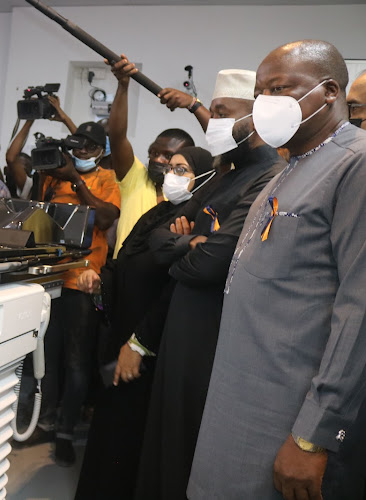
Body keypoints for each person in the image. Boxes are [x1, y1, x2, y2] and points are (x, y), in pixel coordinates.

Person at [189, 40, 366, 500]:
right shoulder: (290, 166)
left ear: (329, 92)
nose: (266, 103)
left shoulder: (356, 165)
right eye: (260, 91)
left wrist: (313, 434)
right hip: (239, 392)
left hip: (285, 413)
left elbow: (359, 310)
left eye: (279, 88)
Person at [129, 67, 284, 500]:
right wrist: (186, 244)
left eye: (221, 113)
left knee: (190, 448)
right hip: (181, 320)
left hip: (210, 331)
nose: (211, 124)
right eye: (210, 113)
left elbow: (212, 264)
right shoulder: (223, 173)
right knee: (165, 439)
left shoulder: (266, 176)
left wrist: (185, 249)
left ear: (254, 118)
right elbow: (159, 237)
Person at [74, 146, 214, 500]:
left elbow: (174, 288)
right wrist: (98, 280)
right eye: (169, 168)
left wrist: (139, 343)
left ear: (204, 177)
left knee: (133, 435)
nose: (171, 175)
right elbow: (122, 263)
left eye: (182, 169)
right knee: (108, 431)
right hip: (120, 334)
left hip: (149, 347)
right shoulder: (156, 215)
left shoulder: (198, 222)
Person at [21, 121, 120, 467]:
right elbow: (32, 215)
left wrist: (75, 179)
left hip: (82, 282)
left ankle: (66, 432)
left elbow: (105, 218)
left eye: (87, 147)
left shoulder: (106, 179)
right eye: (76, 147)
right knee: (46, 357)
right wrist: (40, 174)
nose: (80, 153)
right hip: (50, 279)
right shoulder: (53, 178)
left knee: (77, 361)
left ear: (100, 150)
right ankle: (45, 421)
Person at [107, 54, 201, 256]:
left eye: (168, 156)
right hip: (120, 275)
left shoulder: (184, 194)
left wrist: (194, 105)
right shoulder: (136, 178)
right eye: (153, 152)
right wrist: (123, 87)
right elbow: (116, 136)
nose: (157, 159)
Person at [5, 95, 77, 199]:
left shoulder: (73, 183)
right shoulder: (30, 186)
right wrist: (30, 119)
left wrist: (64, 119)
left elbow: (83, 147)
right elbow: (11, 158)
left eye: (51, 157)